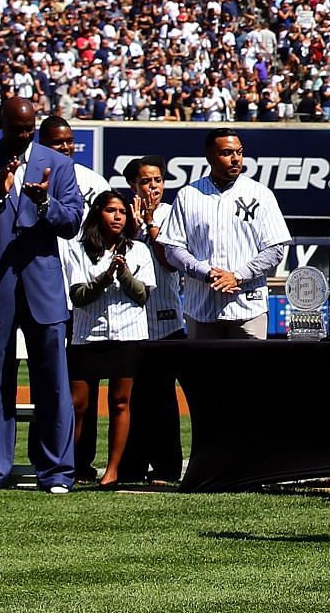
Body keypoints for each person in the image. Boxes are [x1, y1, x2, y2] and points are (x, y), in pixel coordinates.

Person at [0, 96, 84, 493]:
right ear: (0, 124)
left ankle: (56, 471)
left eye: (29, 129)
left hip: (42, 287)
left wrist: (44, 202)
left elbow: (73, 221)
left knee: (53, 382)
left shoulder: (57, 164)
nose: (23, 136)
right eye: (16, 129)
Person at [157, 130, 291, 339]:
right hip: (201, 307)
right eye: (227, 152)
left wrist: (237, 276)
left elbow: (275, 248)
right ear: (210, 156)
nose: (236, 158)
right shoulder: (188, 195)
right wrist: (206, 272)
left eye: (239, 152)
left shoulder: (261, 194)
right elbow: (173, 249)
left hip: (248, 307)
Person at [62, 190, 154, 487]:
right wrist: (106, 275)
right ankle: (70, 466)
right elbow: (78, 296)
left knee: (120, 402)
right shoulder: (78, 250)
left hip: (128, 334)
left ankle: (112, 470)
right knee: (78, 404)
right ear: (97, 213)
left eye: (122, 212)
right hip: (88, 335)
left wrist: (124, 272)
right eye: (111, 211)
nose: (117, 217)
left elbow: (142, 295)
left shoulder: (138, 250)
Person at [123, 154, 185, 485]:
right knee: (132, 398)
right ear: (133, 184)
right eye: (146, 181)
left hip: (167, 319)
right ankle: (131, 466)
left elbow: (171, 262)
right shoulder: (121, 212)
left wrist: (150, 225)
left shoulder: (172, 214)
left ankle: (166, 468)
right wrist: (133, 224)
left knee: (162, 397)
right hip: (131, 322)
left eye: (158, 180)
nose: (153, 187)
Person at [41, 116, 108, 201]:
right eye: (57, 142)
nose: (65, 147)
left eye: (69, 142)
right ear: (42, 144)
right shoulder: (30, 176)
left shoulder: (94, 180)